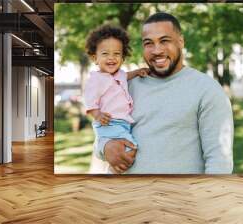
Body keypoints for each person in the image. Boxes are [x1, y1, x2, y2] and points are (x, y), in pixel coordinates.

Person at [93, 12, 234, 174]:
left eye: (164, 41)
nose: (157, 50)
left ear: (181, 42)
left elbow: (219, 159)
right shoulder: (125, 86)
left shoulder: (207, 89)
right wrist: (105, 147)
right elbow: (101, 133)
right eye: (148, 43)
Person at [83, 25, 148, 173]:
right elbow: (89, 99)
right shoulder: (96, 79)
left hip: (122, 124)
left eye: (116, 54)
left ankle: (111, 164)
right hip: (108, 122)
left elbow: (127, 75)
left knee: (129, 148)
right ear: (95, 58)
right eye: (105, 53)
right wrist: (97, 114)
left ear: (123, 57)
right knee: (130, 148)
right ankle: (110, 165)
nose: (111, 58)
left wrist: (138, 72)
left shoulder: (120, 74)